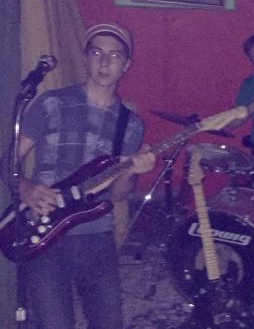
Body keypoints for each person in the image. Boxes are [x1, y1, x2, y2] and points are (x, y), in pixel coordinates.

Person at [12, 22, 156, 329]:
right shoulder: (51, 103)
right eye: (97, 52)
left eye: (114, 55)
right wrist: (25, 187)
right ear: (86, 57)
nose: (104, 62)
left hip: (97, 237)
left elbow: (118, 194)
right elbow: (7, 160)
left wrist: (132, 171)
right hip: (44, 232)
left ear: (126, 65)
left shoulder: (130, 124)